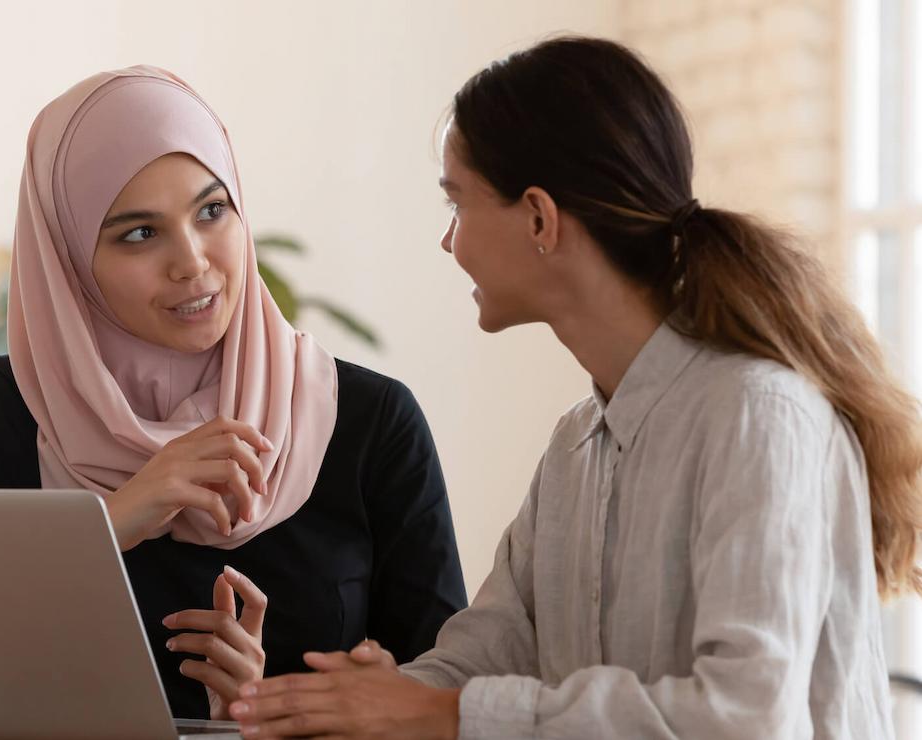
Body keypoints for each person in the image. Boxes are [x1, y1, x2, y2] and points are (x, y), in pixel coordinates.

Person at [229, 37, 921, 738]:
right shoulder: (576, 446)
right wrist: (351, 698)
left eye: (458, 204)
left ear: (538, 218)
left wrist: (441, 712)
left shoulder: (758, 417)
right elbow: (483, 655)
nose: (449, 243)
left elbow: (744, 717)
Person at [0, 66, 467, 720]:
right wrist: (108, 523)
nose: (192, 262)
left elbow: (441, 697)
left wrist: (265, 712)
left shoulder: (366, 421)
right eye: (139, 233)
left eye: (212, 211)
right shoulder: (22, 412)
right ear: (70, 262)